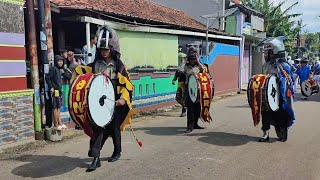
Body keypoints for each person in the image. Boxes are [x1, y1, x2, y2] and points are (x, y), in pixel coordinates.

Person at [85, 34, 133, 171]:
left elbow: (127, 85)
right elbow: (87, 78)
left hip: (114, 102)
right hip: (98, 103)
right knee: (98, 129)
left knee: (114, 128)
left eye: (106, 49)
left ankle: (117, 151)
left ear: (112, 49)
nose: (103, 52)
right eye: (101, 49)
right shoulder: (95, 65)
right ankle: (96, 158)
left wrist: (123, 99)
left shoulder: (119, 65)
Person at [258, 37, 295, 142]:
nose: (266, 55)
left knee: (281, 114)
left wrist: (279, 81)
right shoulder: (265, 65)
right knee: (265, 113)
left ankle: (282, 133)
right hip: (267, 95)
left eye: (268, 52)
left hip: (279, 96)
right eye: (265, 53)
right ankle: (265, 134)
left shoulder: (284, 66)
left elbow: (289, 81)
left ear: (275, 52)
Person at [179, 46, 209, 133]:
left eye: (194, 58)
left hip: (199, 90)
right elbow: (180, 71)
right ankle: (189, 127)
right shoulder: (185, 67)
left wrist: (198, 61)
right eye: (191, 58)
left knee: (198, 108)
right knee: (190, 108)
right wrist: (185, 61)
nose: (192, 60)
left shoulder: (199, 66)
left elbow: (205, 71)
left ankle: (195, 124)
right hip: (189, 90)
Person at [45, 55, 70, 130]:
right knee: (55, 107)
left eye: (61, 61)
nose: (60, 63)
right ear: (56, 62)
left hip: (59, 91)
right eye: (59, 61)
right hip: (55, 91)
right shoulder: (53, 69)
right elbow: (47, 78)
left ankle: (60, 122)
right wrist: (51, 87)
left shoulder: (59, 70)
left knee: (59, 107)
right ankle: (56, 124)